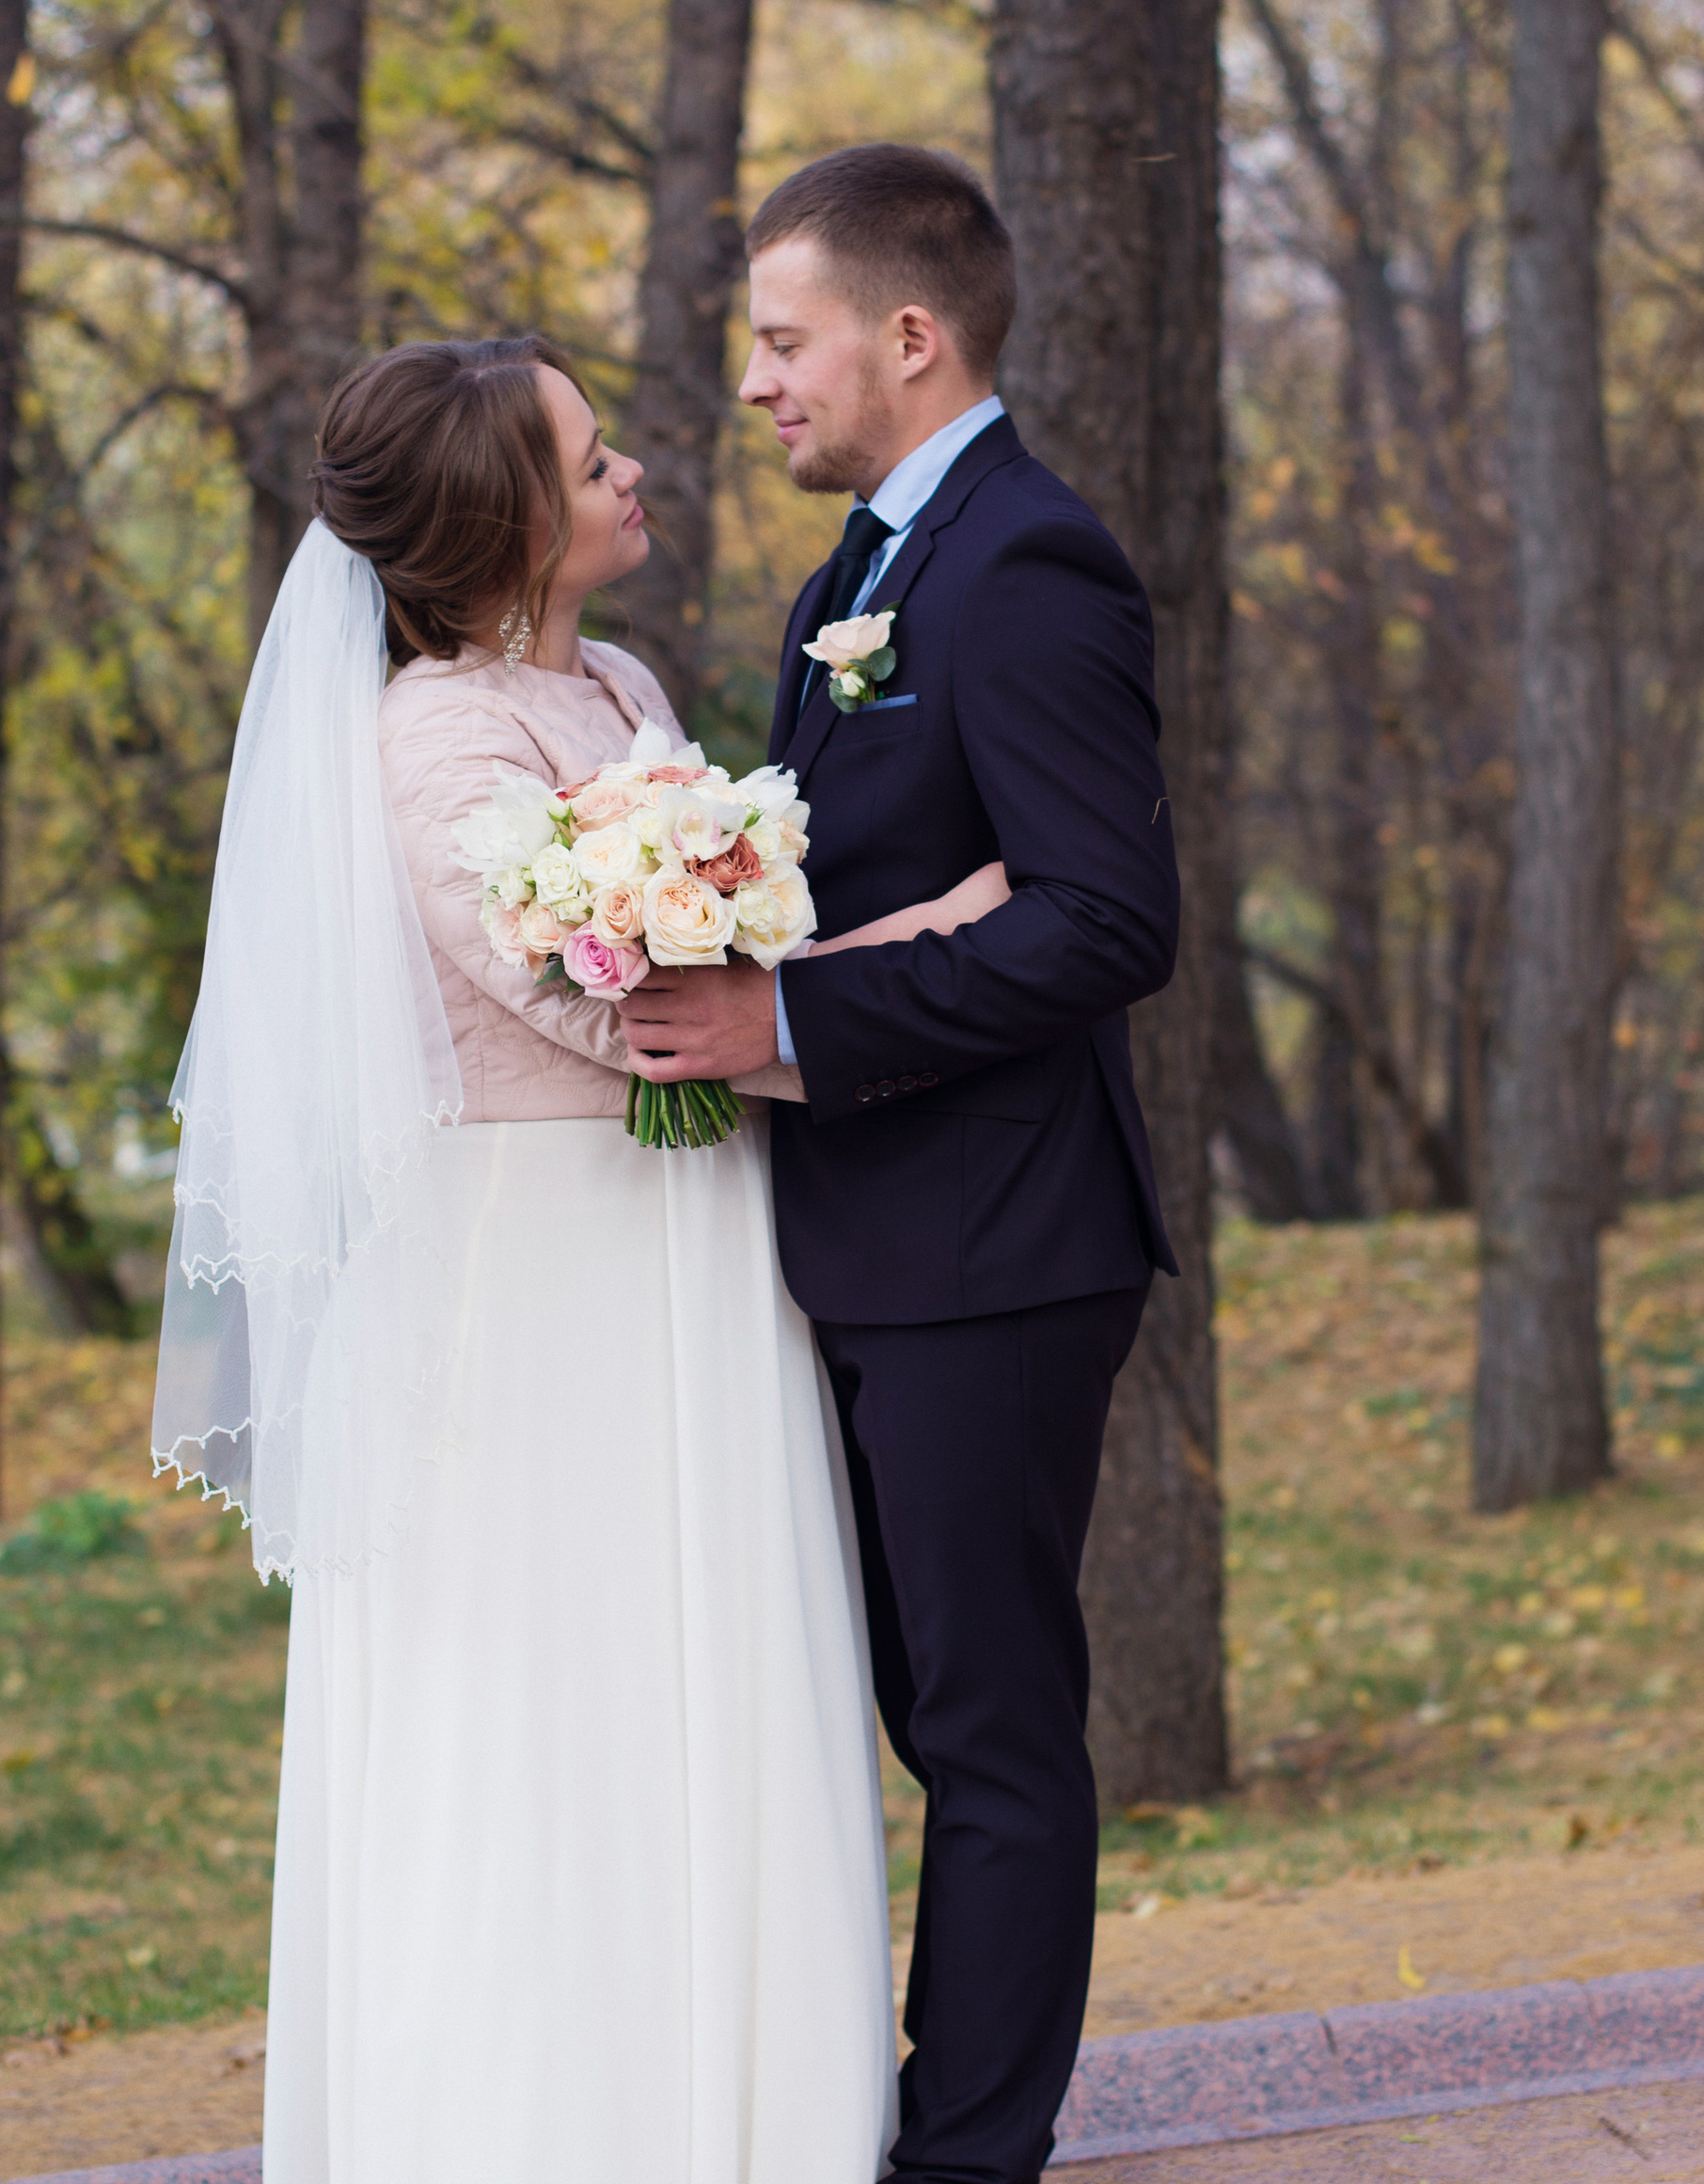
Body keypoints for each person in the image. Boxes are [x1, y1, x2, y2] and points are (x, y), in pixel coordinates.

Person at [150, 335, 1003, 2184]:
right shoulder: (430, 738)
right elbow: (626, 1018)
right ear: (505, 521)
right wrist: (937, 925)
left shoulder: (608, 674)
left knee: (715, 1667)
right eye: (589, 454)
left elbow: (717, 950)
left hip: (685, 1245)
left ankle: (747, 2104)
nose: (629, 471)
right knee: (555, 1702)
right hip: (535, 1280)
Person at [621, 146, 1180, 2184]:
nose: (757, 381)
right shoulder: (850, 575)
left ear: (906, 336)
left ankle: (967, 2152)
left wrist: (788, 1030)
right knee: (916, 1710)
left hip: (999, 1237)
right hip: (868, 1234)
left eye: (784, 340)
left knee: (991, 1732)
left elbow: (1110, 918)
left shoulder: (1020, 560)